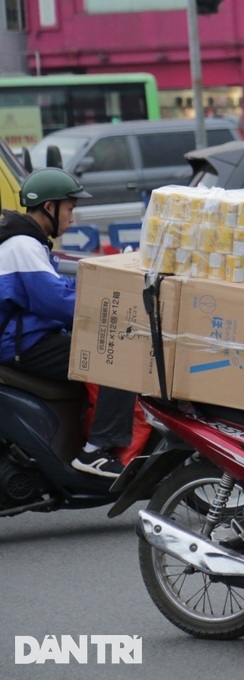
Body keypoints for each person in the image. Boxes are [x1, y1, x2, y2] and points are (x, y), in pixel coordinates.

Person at [0, 168, 135, 479]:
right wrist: (111, 308)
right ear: (50, 207)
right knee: (116, 357)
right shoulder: (22, 246)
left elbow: (60, 289)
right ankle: (96, 451)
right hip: (21, 345)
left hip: (29, 338)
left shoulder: (28, 243)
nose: (72, 218)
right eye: (70, 209)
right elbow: (57, 302)